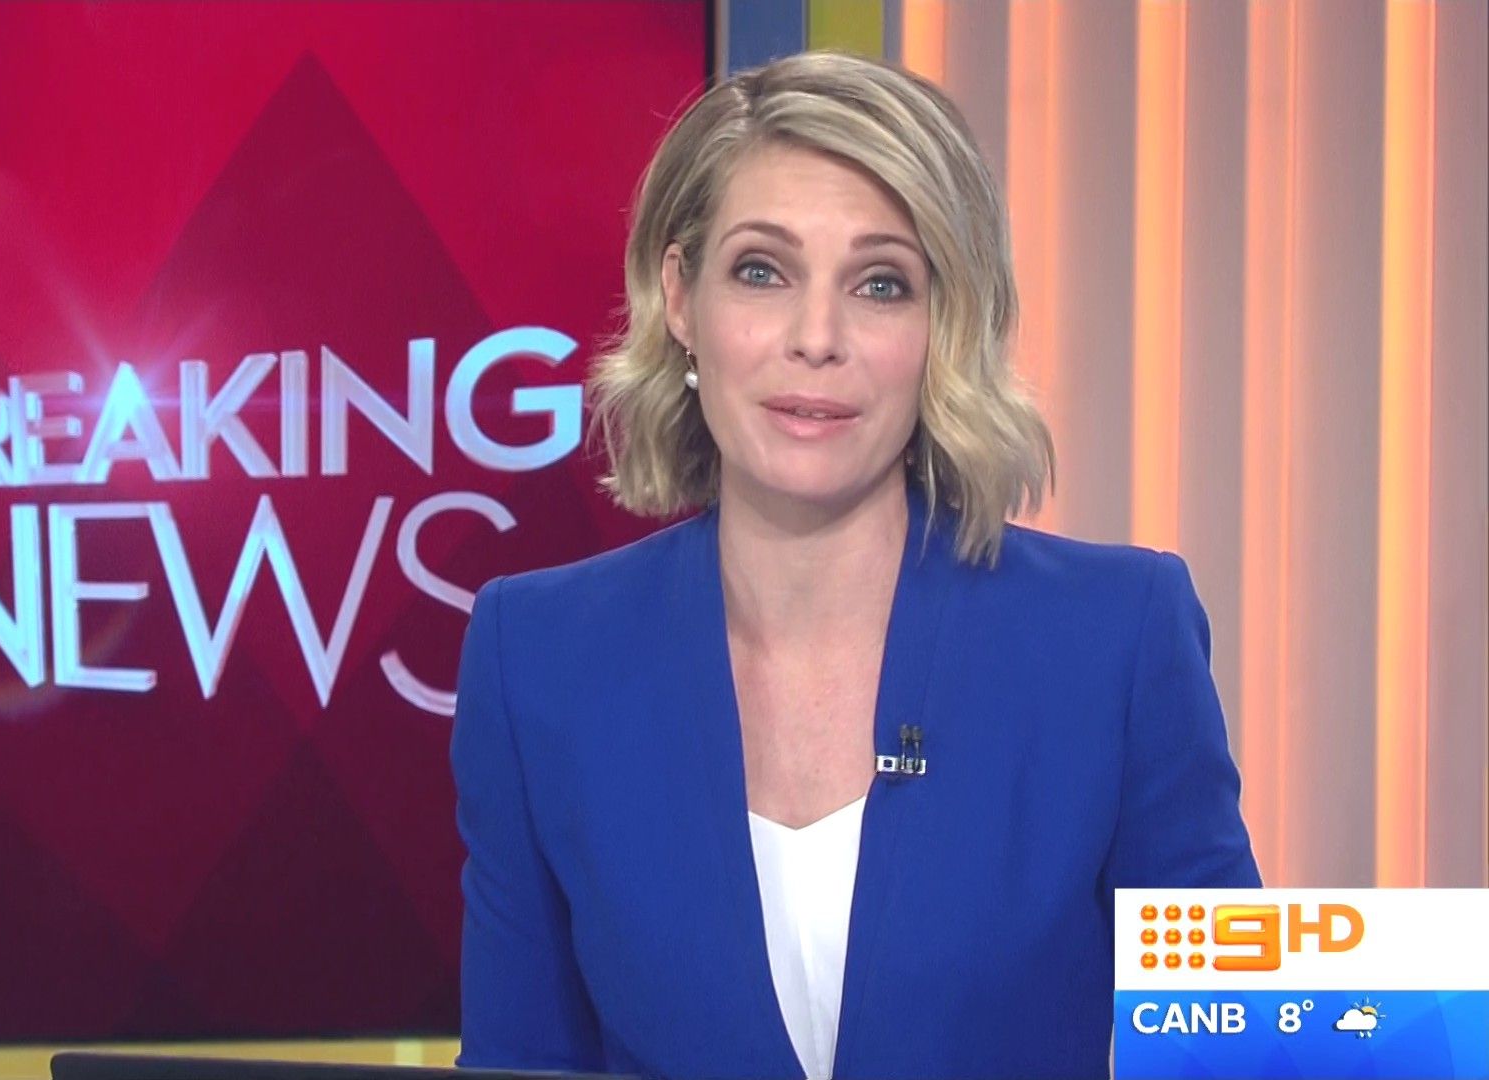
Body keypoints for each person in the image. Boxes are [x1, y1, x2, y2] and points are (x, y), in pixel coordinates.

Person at [449, 50, 1259, 1080]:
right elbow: (522, 1055)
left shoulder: (1114, 639)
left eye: (881, 284)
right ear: (681, 298)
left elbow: (1240, 1055)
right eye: (762, 271)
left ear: (942, 325)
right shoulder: (540, 657)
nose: (817, 338)